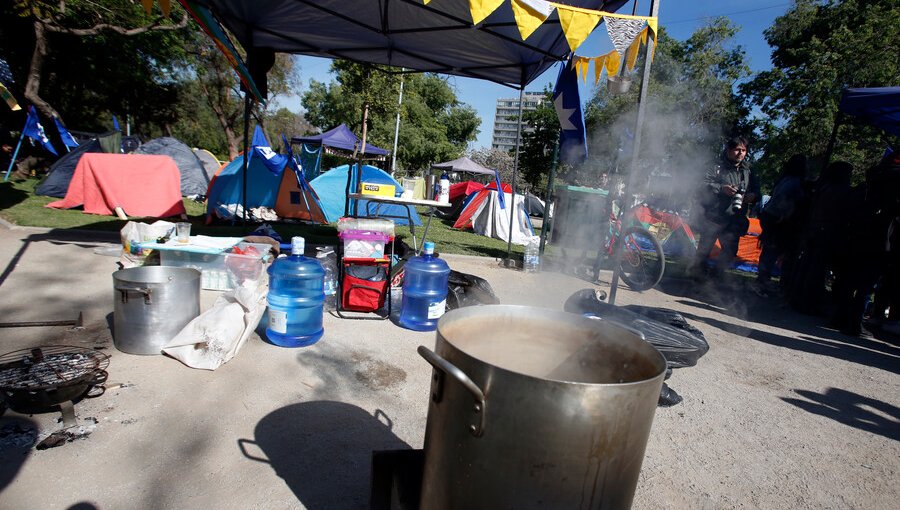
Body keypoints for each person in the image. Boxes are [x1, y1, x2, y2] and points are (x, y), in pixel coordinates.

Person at [690, 136, 759, 278]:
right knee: (704, 250)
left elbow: (758, 191)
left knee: (730, 251)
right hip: (713, 217)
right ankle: (696, 277)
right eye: (737, 150)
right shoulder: (716, 166)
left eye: (744, 150)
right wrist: (721, 188)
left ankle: (715, 277)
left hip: (735, 218)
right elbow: (700, 185)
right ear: (728, 150)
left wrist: (753, 196)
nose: (740, 153)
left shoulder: (748, 171)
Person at [756, 154, 809, 292]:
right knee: (772, 251)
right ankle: (763, 283)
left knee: (770, 251)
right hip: (777, 219)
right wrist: (784, 215)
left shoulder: (784, 179)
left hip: (771, 217)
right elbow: (782, 199)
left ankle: (763, 281)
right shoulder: (794, 182)